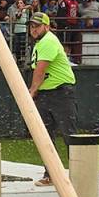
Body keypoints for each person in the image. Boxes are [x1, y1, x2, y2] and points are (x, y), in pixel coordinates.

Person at [27, 12, 77, 185]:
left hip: (60, 93)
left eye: (37, 26)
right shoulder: (40, 43)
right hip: (47, 93)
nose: (33, 29)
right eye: (32, 26)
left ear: (47, 27)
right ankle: (51, 174)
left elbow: (40, 71)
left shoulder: (48, 41)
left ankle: (80, 174)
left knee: (69, 135)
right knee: (45, 136)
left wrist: (32, 91)